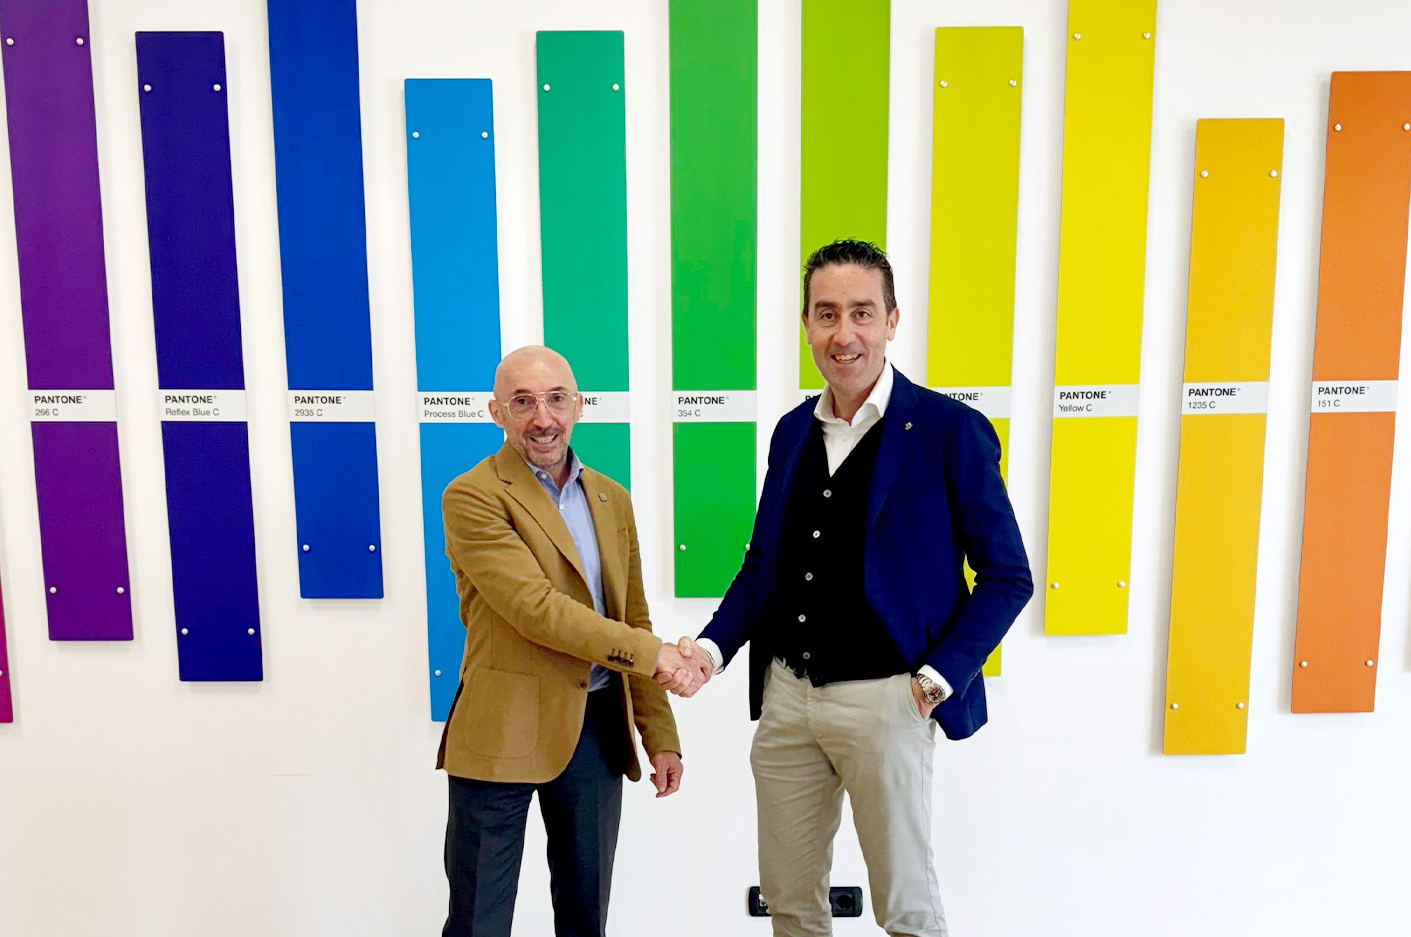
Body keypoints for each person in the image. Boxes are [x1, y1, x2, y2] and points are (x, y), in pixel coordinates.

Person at [676, 239, 1033, 937]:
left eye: (862, 313)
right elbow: (764, 566)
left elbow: (1008, 576)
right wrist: (711, 652)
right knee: (790, 904)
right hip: (789, 701)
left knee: (906, 909)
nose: (844, 334)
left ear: (892, 321)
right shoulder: (791, 432)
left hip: (889, 703)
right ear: (807, 324)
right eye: (827, 313)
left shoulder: (949, 431)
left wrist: (934, 682)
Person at [438, 345, 698, 937]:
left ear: (578, 405)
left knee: (586, 919)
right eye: (523, 402)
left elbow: (633, 616)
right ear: (496, 413)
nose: (543, 418)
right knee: (478, 923)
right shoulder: (472, 496)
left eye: (556, 399)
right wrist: (656, 657)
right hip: (501, 728)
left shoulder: (611, 498)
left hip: (596, 729)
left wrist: (659, 734)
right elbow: (536, 610)